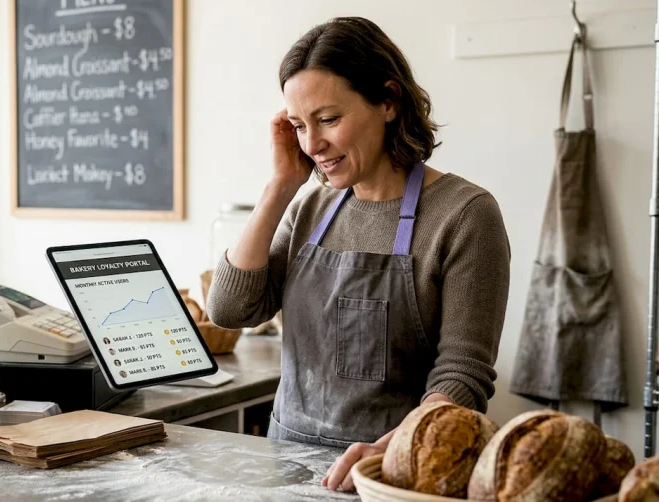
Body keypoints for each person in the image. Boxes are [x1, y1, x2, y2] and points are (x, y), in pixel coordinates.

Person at [206, 17, 510, 492]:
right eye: (298, 125)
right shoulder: (311, 205)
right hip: (286, 467)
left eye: (328, 119)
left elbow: (463, 376)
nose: (312, 144)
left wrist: (392, 451)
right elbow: (230, 310)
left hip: (395, 476)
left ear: (388, 101)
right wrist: (280, 186)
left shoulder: (465, 214)